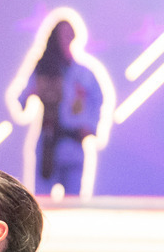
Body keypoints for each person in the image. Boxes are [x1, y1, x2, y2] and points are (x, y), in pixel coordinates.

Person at [13, 20, 105, 197]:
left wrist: (91, 126)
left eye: (70, 34)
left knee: (74, 200)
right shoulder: (44, 68)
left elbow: (98, 99)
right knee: (42, 201)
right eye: (62, 35)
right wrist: (33, 92)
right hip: (49, 143)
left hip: (74, 142)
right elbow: (22, 99)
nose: (66, 39)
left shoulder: (84, 74)